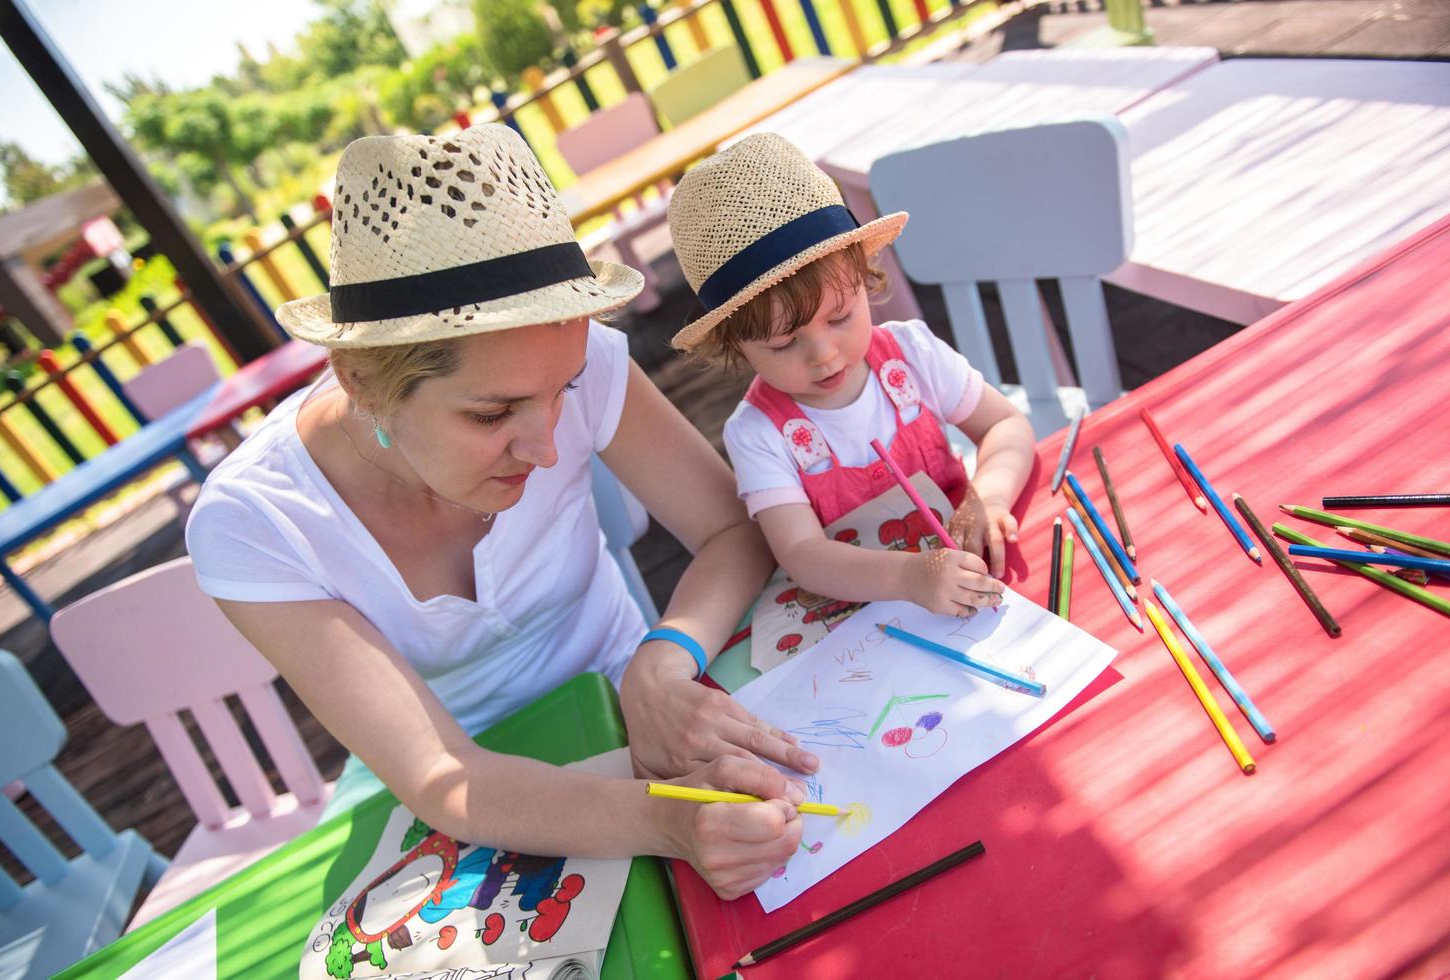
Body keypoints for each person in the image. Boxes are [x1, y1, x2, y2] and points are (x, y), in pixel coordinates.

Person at [186, 129, 813, 899]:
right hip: (456, 804)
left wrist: (662, 656)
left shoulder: (587, 365)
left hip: (636, 703)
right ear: (361, 381)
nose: (549, 449)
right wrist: (668, 823)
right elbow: (438, 774)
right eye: (493, 415)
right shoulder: (255, 522)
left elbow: (728, 529)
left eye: (566, 391)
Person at [667, 134, 1036, 618]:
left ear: (864, 279)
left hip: (981, 572)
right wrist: (909, 576)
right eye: (782, 343)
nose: (824, 355)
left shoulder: (912, 355)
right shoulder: (759, 434)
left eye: (839, 317)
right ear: (736, 345)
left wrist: (988, 495)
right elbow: (803, 555)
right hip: (867, 620)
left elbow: (1005, 426)